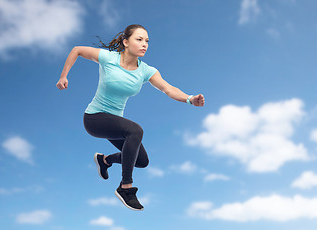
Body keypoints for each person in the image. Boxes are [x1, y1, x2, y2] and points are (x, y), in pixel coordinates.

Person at [56, 24, 205, 211]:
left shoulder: (145, 70)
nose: (145, 44)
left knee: (141, 161)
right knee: (135, 130)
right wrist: (64, 76)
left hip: (115, 124)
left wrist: (190, 99)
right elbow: (77, 50)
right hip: (95, 118)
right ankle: (126, 187)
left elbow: (168, 88)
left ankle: (105, 161)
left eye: (147, 41)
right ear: (126, 42)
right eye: (139, 39)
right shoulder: (108, 58)